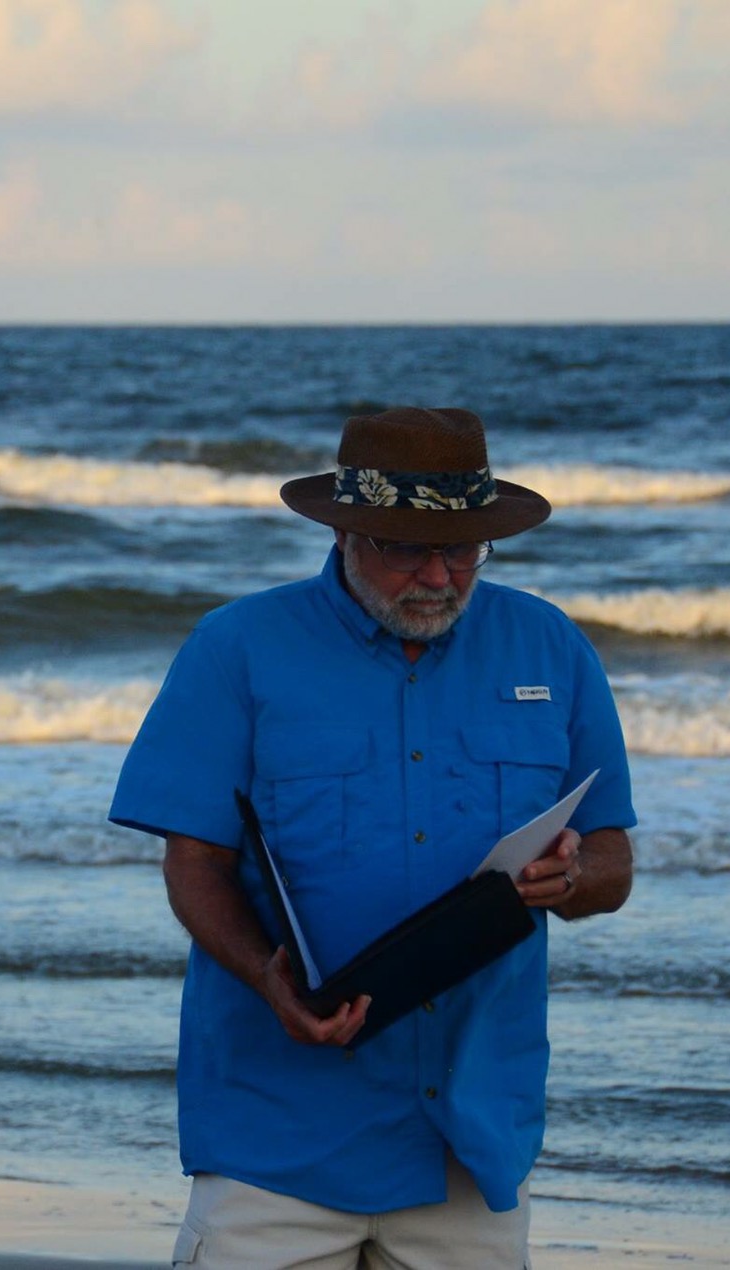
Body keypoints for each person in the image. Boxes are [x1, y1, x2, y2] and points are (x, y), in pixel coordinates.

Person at [109, 406, 636, 1269]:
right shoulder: (236, 648)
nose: (438, 575)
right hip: (275, 1143)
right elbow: (193, 862)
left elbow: (612, 856)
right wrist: (265, 975)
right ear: (344, 532)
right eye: (406, 550)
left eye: (463, 551)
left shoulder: (551, 646)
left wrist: (573, 879)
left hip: (471, 1142)